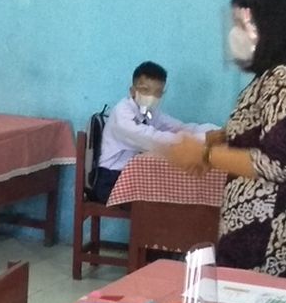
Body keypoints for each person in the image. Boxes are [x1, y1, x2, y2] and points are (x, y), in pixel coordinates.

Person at [162, 0, 286, 279]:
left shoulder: (284, 79)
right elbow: (265, 134)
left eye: (241, 24)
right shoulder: (270, 77)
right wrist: (221, 140)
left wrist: (205, 155)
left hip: (267, 227)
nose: (234, 34)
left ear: (269, 26)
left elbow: (275, 163)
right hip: (251, 221)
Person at [90, 61, 218, 203]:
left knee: (177, 193)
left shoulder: (150, 112)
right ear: (132, 91)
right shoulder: (122, 114)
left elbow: (179, 127)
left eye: (157, 93)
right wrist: (203, 139)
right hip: (110, 180)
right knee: (163, 202)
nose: (151, 96)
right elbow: (150, 138)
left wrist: (214, 131)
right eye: (145, 90)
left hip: (130, 176)